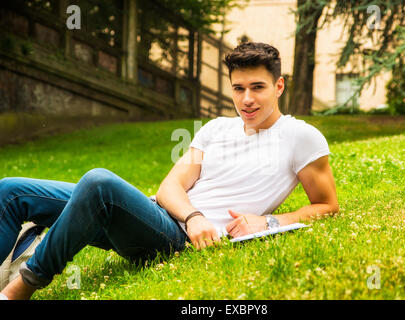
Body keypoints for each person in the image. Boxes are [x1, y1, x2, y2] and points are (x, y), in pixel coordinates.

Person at [0, 42, 338, 300]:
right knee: (10, 191)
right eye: (238, 88)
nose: (247, 99)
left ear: (279, 87)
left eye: (258, 87)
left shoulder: (301, 137)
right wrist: (194, 215)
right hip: (160, 217)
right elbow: (170, 187)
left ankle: (18, 290)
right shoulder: (217, 128)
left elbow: (326, 206)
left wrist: (269, 221)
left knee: (99, 183)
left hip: (175, 241)